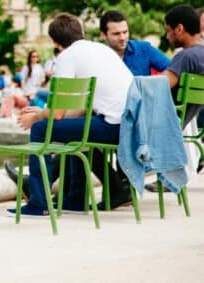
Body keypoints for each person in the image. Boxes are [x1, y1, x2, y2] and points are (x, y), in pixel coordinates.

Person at [10, 12, 133, 217]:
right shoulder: (101, 50)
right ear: (81, 32)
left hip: (114, 127)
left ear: (55, 42)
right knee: (76, 126)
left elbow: (57, 114)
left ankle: (38, 202)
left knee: (41, 129)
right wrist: (42, 112)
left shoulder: (66, 57)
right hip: (130, 123)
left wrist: (36, 118)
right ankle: (75, 199)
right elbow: (81, 108)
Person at [99, 10, 170, 75]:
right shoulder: (97, 57)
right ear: (103, 35)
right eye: (116, 34)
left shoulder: (144, 49)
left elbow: (173, 70)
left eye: (125, 32)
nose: (122, 38)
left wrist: (151, 85)